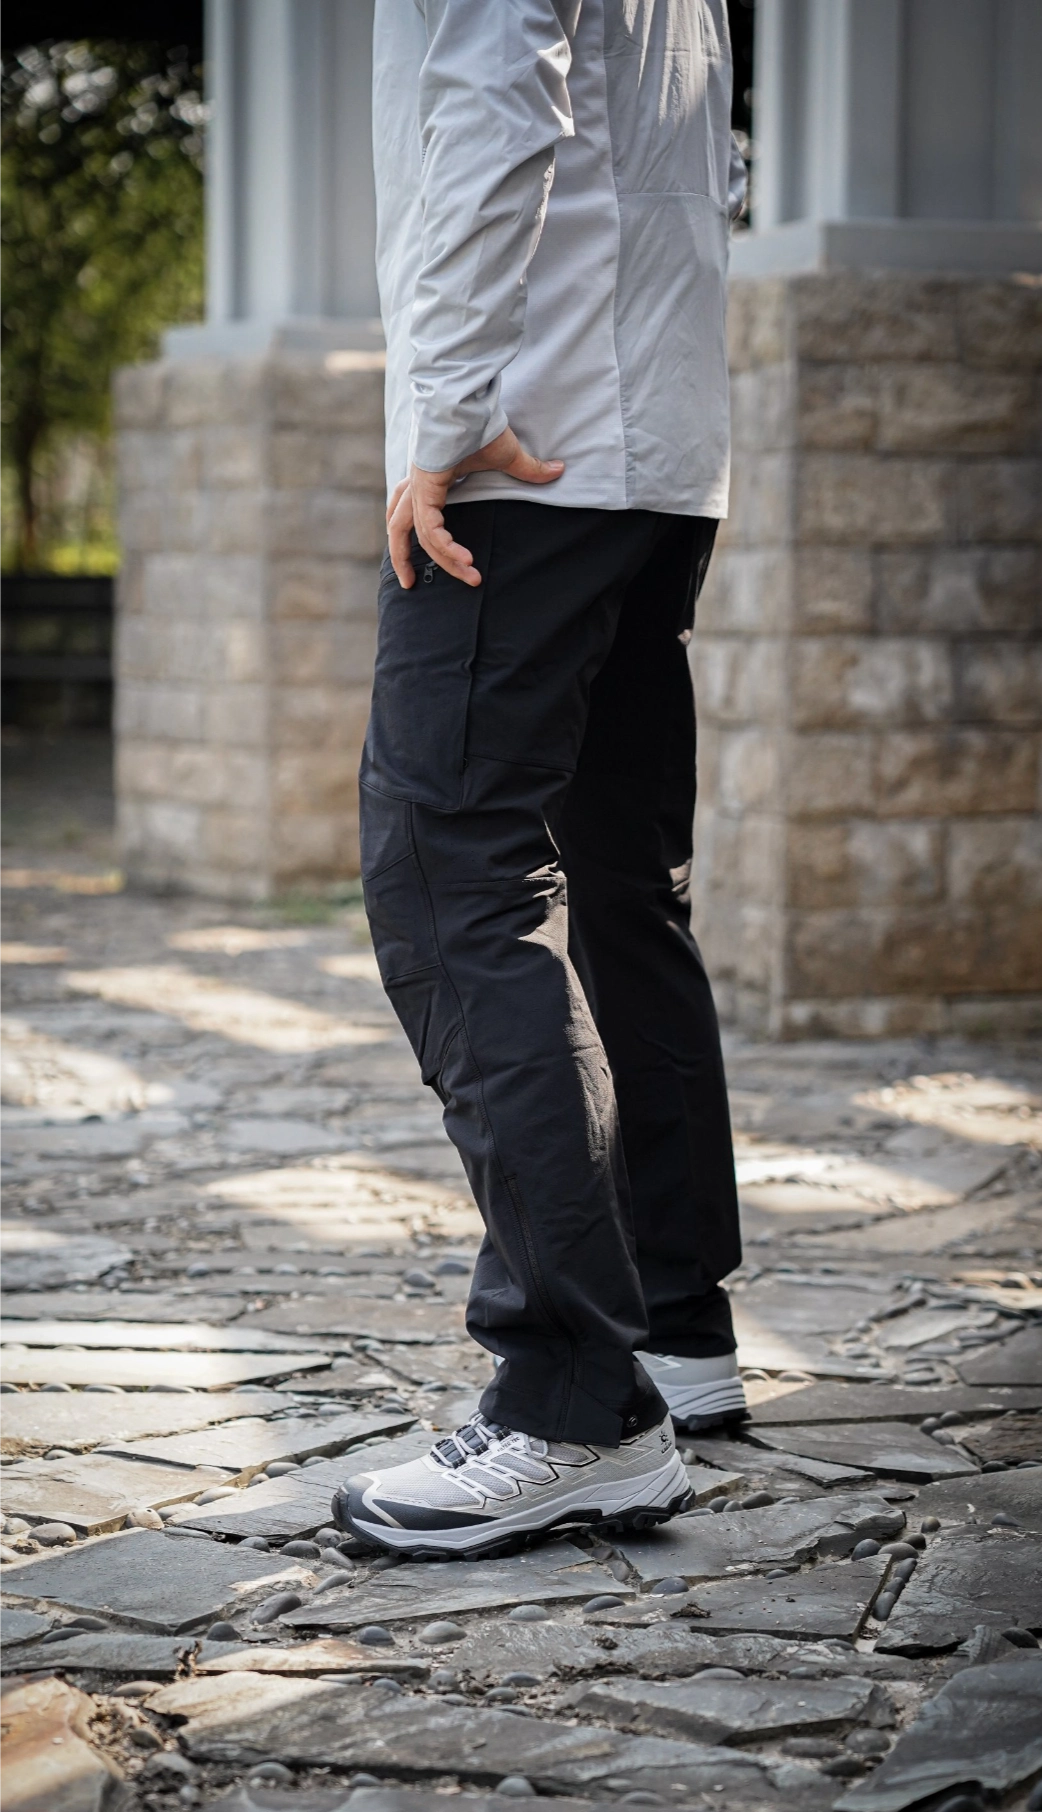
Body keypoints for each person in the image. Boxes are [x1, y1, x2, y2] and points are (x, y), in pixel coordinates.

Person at [334, 0, 748, 1560]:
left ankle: (579, 1401)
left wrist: (442, 415)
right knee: (626, 888)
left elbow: (497, 107)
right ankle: (675, 1329)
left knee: (449, 885)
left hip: (524, 448)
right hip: (653, 451)